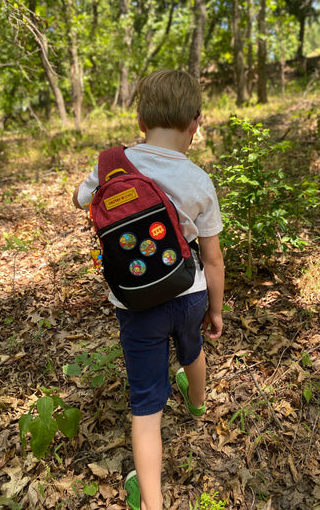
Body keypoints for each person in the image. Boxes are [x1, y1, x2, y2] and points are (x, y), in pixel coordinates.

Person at [73, 69, 224, 510]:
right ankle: (197, 401)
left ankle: (152, 501)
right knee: (192, 348)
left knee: (145, 406)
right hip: (190, 291)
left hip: (136, 304)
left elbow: (80, 200)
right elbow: (212, 258)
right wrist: (215, 310)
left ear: (140, 121)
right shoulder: (198, 180)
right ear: (195, 123)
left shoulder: (111, 163)